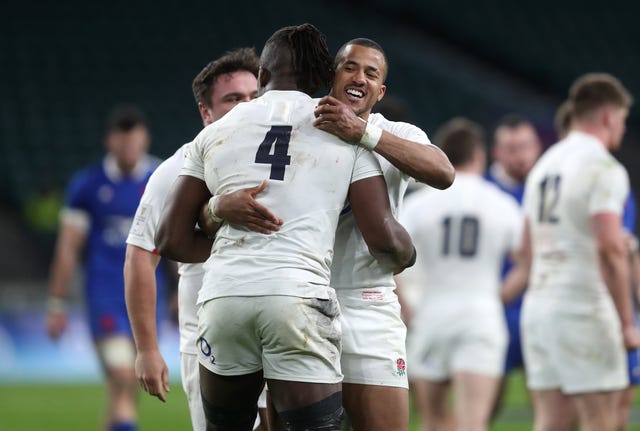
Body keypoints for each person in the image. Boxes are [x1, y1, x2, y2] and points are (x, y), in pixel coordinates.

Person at [155, 24, 416, 431]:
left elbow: (169, 239)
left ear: (261, 77)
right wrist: (406, 255)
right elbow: (382, 237)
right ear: (323, 77)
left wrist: (224, 228)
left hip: (225, 296)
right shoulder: (343, 132)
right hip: (299, 298)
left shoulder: (215, 132)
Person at [123, 48, 274, 431]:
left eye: (253, 97)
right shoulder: (176, 170)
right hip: (208, 337)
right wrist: (147, 350)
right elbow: (141, 256)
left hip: (275, 331)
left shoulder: (282, 160)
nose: (245, 107)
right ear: (205, 113)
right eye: (232, 99)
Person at [312, 38, 454, 431]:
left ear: (381, 90)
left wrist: (364, 134)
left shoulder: (394, 131)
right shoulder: (300, 126)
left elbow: (442, 172)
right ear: (331, 75)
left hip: (369, 301)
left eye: (370, 74)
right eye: (350, 68)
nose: (359, 78)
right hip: (304, 297)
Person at [519, 72, 640, 431]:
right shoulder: (604, 167)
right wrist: (627, 323)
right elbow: (608, 248)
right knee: (601, 422)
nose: (621, 128)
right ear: (607, 116)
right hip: (583, 305)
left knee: (551, 422)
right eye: (621, 120)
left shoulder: (543, 165)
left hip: (539, 306)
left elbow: (525, 248)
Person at [398, 118, 523, 431]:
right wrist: (500, 296)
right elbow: (528, 262)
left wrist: (406, 309)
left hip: (431, 314)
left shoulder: (417, 204)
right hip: (481, 314)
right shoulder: (502, 203)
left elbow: (391, 260)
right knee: (474, 422)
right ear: (479, 156)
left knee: (433, 421)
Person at [46, 106, 162, 431]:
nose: (129, 150)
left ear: (145, 141)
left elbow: (174, 241)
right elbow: (68, 248)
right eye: (123, 143)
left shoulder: (160, 178)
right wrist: (56, 303)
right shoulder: (87, 186)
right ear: (109, 142)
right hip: (105, 296)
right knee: (124, 375)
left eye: (135, 143)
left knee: (124, 389)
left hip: (149, 297)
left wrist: (182, 289)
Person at [483, 114, 542, 416]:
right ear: (497, 152)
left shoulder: (547, 189)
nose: (522, 156)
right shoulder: (480, 191)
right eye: (513, 148)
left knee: (553, 410)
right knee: (483, 408)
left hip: (541, 310)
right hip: (494, 312)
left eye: (527, 146)